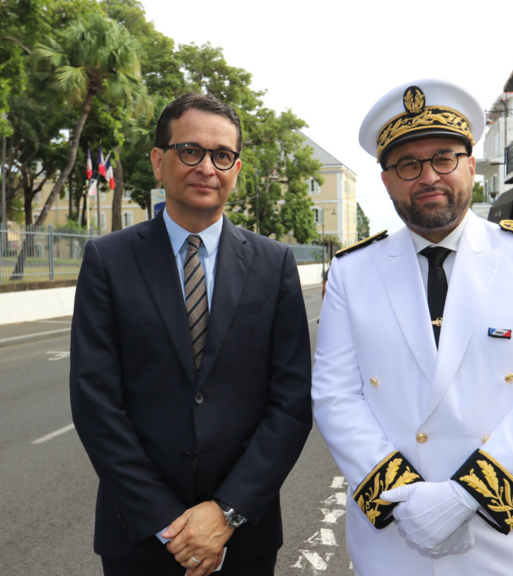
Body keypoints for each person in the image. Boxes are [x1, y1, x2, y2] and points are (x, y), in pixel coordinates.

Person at [311, 79, 513, 575]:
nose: (429, 177)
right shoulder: (353, 272)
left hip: (510, 544)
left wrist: (466, 498)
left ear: (471, 163)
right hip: (394, 541)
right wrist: (407, 502)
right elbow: (336, 397)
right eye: (408, 165)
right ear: (387, 179)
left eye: (444, 157)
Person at [70, 93, 313, 576]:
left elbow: (291, 402)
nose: (207, 167)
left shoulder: (274, 264)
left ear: (236, 169)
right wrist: (169, 524)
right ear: (160, 161)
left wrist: (226, 512)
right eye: (190, 151)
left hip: (244, 536)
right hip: (139, 535)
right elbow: (96, 404)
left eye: (222, 155)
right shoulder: (108, 261)